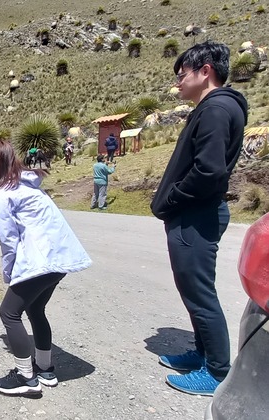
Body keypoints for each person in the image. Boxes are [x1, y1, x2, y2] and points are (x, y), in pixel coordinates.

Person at [150, 41, 248, 396]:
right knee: (192, 289)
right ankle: (203, 354)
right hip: (195, 214)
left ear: (205, 70)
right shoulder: (214, 109)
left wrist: (173, 200)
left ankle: (218, 371)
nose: (178, 83)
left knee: (199, 293)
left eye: (182, 75)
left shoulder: (216, 109)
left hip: (196, 215)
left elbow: (208, 171)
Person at [0, 139, 91, 396]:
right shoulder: (25, 186)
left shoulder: (3, 195)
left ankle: (26, 377)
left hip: (40, 261)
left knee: (9, 313)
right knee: (36, 308)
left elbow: (9, 240)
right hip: (60, 260)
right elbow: (26, 220)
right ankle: (45, 370)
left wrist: (10, 273)